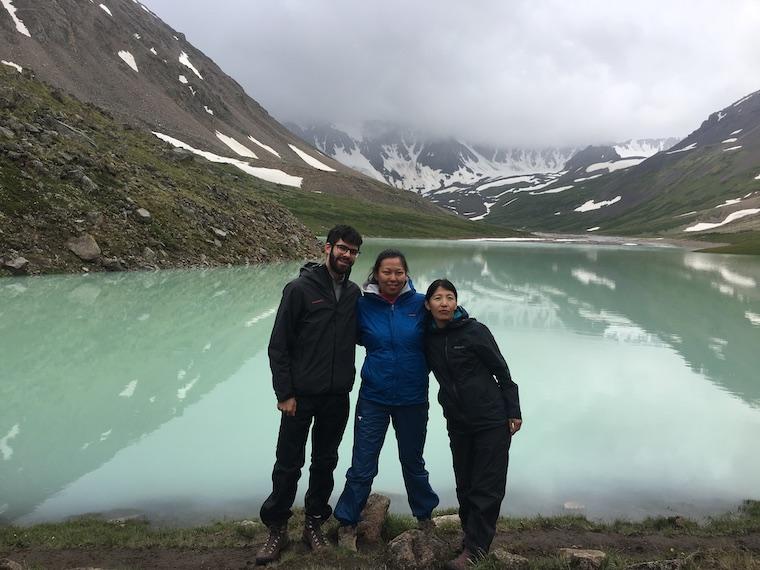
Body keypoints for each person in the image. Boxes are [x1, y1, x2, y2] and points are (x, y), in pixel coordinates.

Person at [256, 224, 363, 565]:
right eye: (342, 248)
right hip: (299, 396)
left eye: (353, 251)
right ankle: (276, 528)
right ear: (327, 248)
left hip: (337, 395)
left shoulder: (354, 294)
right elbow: (279, 345)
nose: (347, 255)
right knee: (288, 463)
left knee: (325, 461)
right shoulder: (299, 289)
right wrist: (284, 392)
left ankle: (314, 523)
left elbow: (364, 332)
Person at [334, 249, 439, 550]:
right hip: (374, 397)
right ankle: (347, 524)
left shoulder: (421, 305)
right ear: (376, 275)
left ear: (406, 274)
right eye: (387, 272)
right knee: (362, 464)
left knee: (413, 462)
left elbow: (447, 321)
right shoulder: (362, 305)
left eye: (398, 272)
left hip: (413, 397)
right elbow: (344, 335)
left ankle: (424, 518)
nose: (393, 278)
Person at [423, 279, 522, 570]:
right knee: (465, 482)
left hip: (490, 418)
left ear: (456, 303)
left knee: (486, 485)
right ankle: (470, 537)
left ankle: (476, 549)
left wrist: (513, 410)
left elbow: (502, 372)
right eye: (438, 298)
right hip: (458, 420)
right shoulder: (428, 338)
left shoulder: (475, 331)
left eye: (450, 297)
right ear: (427, 305)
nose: (444, 303)